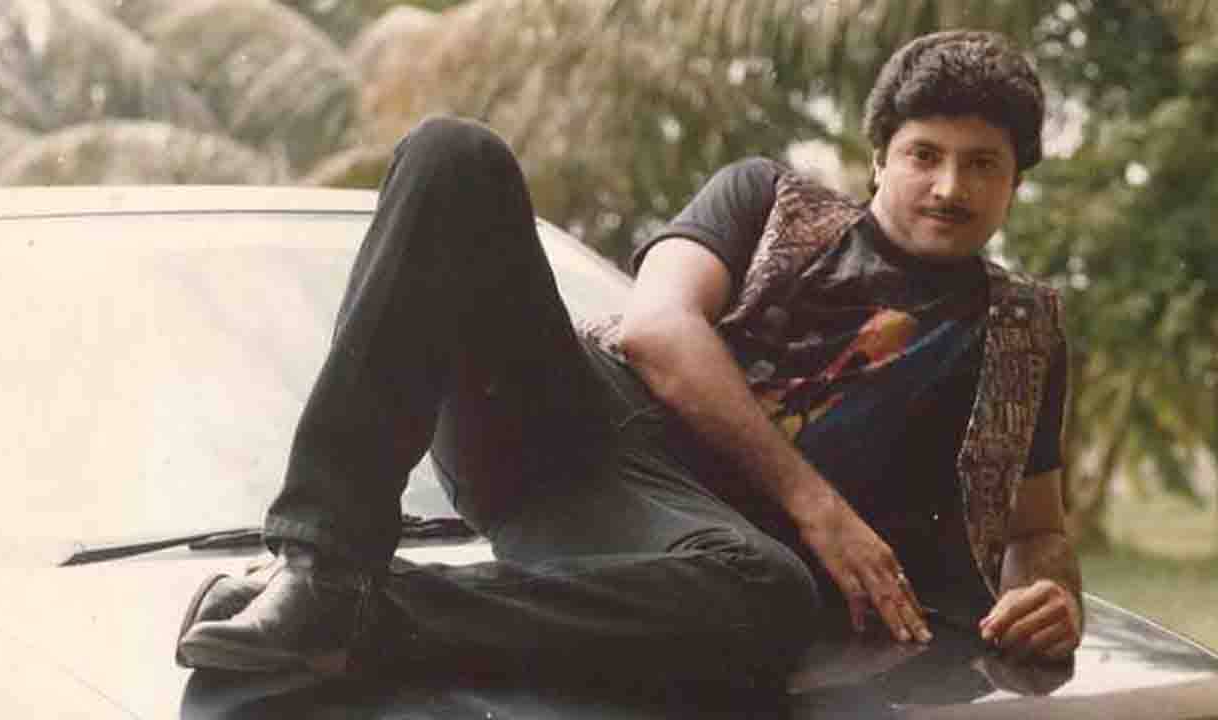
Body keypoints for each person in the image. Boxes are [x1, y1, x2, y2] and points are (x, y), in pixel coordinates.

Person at [176, 29, 1082, 684]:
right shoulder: (765, 197)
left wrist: (1052, 593)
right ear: (879, 158)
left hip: (687, 549)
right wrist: (820, 509)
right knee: (456, 153)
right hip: (578, 431)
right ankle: (321, 562)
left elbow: (1037, 527)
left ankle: (365, 617)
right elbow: (657, 329)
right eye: (925, 154)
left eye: (983, 164)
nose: (950, 186)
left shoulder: (1020, 333)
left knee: (768, 598)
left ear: (1015, 182)